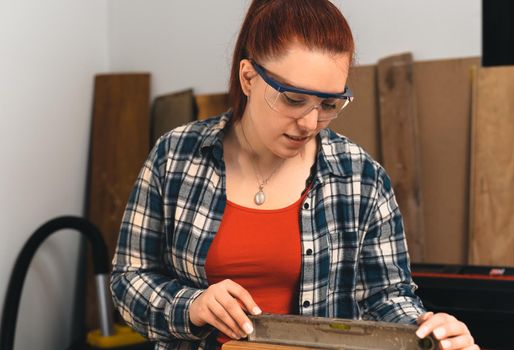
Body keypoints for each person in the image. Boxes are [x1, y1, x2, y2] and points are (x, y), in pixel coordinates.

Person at [110, 1, 478, 349]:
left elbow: (386, 298)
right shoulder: (175, 157)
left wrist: (429, 333)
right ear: (249, 77)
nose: (309, 123)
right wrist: (192, 306)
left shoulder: (362, 179)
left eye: (329, 104)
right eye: (293, 99)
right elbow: (128, 280)